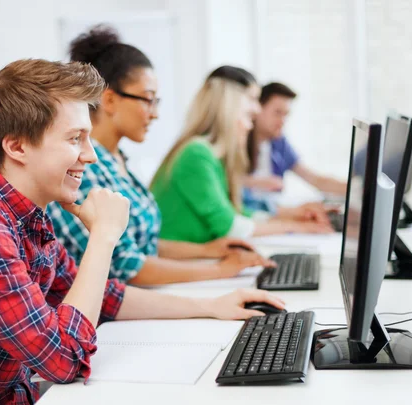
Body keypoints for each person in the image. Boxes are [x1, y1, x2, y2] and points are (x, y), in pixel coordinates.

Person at [0, 59, 285, 404]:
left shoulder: (26, 211)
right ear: (16, 147)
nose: (89, 155)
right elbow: (62, 359)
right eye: (75, 139)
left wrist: (212, 306)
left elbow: (105, 298)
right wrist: (103, 237)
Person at [48, 26, 274, 286]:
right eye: (148, 100)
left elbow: (145, 244)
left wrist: (208, 250)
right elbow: (127, 267)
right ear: (110, 101)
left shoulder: (118, 161)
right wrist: (221, 269)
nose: (154, 113)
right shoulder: (83, 169)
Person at [150, 67, 333, 244]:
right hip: (183, 264)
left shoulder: (211, 155)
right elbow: (231, 226)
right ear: (229, 107)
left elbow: (236, 212)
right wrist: (294, 226)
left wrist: (291, 218)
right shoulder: (196, 153)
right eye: (250, 110)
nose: (257, 109)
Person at [245, 82, 347, 197]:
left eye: (286, 115)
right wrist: (255, 182)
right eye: (277, 113)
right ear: (258, 108)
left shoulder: (279, 143)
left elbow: (314, 179)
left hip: (272, 209)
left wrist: (355, 189)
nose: (282, 121)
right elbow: (224, 181)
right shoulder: (238, 139)